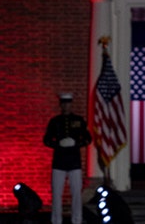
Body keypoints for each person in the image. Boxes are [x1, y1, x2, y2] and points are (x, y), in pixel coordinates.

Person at [42, 92, 92, 224]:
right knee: (56, 195)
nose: (66, 106)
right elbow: (46, 140)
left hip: (74, 162)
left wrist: (77, 143)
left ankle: (77, 220)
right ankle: (56, 220)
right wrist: (57, 144)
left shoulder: (79, 120)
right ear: (61, 105)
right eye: (64, 103)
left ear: (71, 104)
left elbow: (88, 138)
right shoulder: (55, 121)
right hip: (59, 162)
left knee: (76, 194)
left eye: (68, 103)